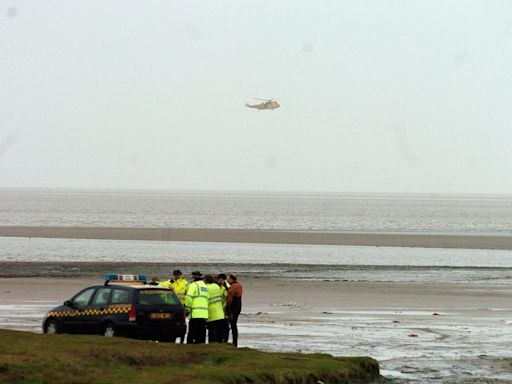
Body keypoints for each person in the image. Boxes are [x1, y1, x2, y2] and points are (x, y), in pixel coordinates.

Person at [185, 271, 209, 344]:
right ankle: (201, 345)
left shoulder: (193, 285)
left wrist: (187, 309)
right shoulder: (205, 286)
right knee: (201, 333)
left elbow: (188, 297)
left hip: (195, 313)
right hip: (204, 314)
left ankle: (190, 346)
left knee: (192, 332)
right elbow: (207, 298)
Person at [204, 274, 224, 343]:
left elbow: (205, 299)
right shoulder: (216, 286)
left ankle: (212, 345)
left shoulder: (206, 288)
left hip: (212, 314)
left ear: (206, 280)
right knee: (219, 333)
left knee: (212, 333)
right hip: (220, 313)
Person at [226, 273, 243, 347]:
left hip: (233, 307)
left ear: (231, 279)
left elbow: (230, 298)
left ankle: (234, 343)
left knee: (233, 325)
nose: (227, 280)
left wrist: (227, 307)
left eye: (228, 279)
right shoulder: (239, 285)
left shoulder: (233, 286)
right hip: (238, 306)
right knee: (234, 325)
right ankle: (235, 342)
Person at [217, 273, 230, 343]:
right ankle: (223, 339)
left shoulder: (225, 287)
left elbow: (227, 297)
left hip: (224, 308)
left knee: (224, 325)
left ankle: (224, 339)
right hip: (222, 308)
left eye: (218, 279)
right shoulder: (223, 286)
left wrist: (224, 306)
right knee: (223, 325)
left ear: (221, 279)